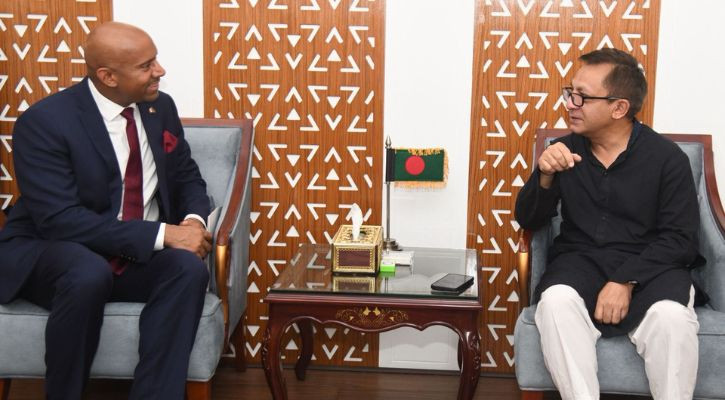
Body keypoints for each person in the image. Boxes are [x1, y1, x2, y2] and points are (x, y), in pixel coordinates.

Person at [0, 22, 213, 399]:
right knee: (87, 272)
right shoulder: (45, 122)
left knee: (187, 268)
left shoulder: (159, 107)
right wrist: (164, 234)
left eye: (156, 60)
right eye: (146, 66)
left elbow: (185, 176)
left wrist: (193, 223)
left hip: (131, 253)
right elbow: (60, 220)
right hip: (54, 250)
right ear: (107, 76)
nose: (160, 70)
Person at [515, 48, 701, 400]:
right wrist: (544, 175)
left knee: (672, 319)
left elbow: (680, 240)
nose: (570, 104)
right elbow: (528, 220)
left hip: (651, 268)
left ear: (619, 108)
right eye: (570, 92)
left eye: (582, 97)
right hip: (580, 262)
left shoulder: (667, 159)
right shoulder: (563, 151)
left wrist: (625, 280)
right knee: (555, 302)